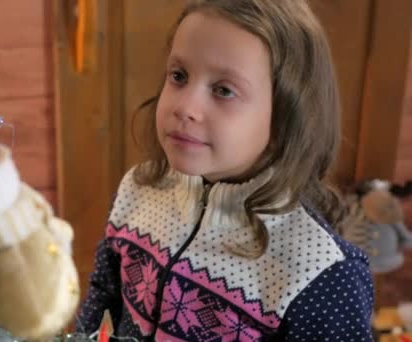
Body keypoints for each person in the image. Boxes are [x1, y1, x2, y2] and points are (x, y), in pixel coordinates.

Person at [75, 0, 374, 341]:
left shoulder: (322, 275)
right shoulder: (138, 189)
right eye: (179, 76)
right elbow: (101, 300)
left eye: (224, 90)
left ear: (286, 117)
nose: (185, 107)